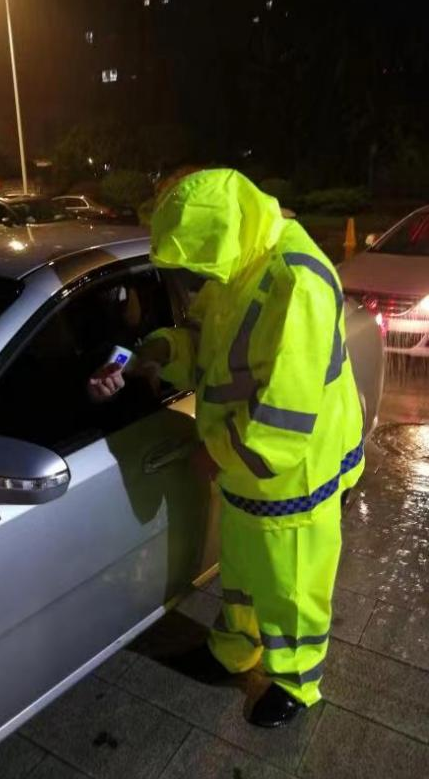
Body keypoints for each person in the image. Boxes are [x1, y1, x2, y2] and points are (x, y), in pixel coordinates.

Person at [88, 168, 364, 728]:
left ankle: (296, 681)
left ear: (217, 238)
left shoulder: (298, 282)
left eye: (192, 269)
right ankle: (235, 649)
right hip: (244, 466)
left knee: (290, 584)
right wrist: (155, 353)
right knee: (241, 570)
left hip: (294, 475)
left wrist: (215, 455)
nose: (190, 282)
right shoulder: (239, 258)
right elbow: (209, 347)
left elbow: (284, 416)